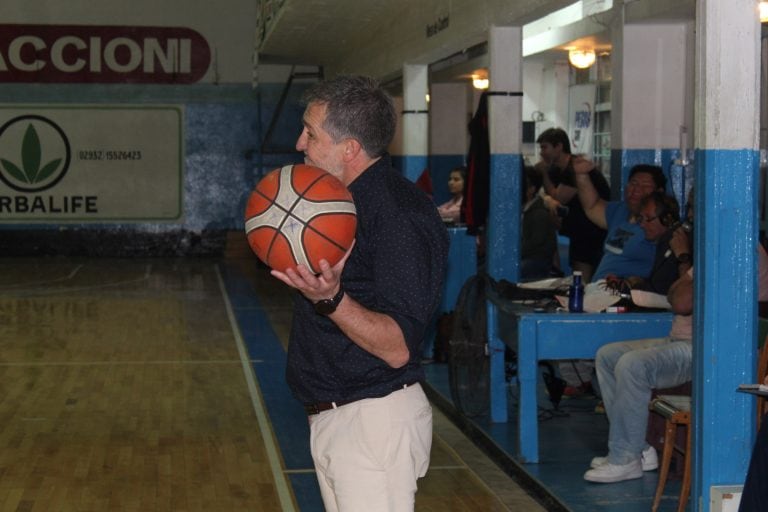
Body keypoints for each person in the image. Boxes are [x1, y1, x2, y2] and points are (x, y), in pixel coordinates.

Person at [270, 75, 450, 511]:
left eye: (311, 134)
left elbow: (396, 347)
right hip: (341, 418)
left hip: (373, 423)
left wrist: (331, 299)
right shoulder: (342, 204)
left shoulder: (397, 215)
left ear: (349, 149)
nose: (299, 143)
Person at [584, 268, 693, 483]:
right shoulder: (706, 256)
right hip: (678, 340)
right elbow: (673, 295)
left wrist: (681, 258)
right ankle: (640, 449)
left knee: (633, 364)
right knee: (608, 355)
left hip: (706, 349)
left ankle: (626, 459)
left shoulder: (731, 250)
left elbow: (680, 302)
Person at [536, 128, 611, 283]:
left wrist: (543, 175)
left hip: (592, 230)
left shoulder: (574, 168)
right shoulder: (558, 170)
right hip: (580, 229)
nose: (542, 152)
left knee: (583, 275)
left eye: (545, 147)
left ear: (559, 147)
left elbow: (559, 197)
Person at [574, 161, 667, 281]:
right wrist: (581, 175)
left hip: (627, 294)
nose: (637, 190)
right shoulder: (621, 210)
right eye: (633, 183)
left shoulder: (658, 223)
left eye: (645, 186)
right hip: (599, 291)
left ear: (659, 192)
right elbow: (592, 206)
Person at [605, 192, 689, 296]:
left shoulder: (676, 243)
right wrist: (629, 283)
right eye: (641, 219)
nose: (642, 225)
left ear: (667, 219)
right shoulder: (661, 245)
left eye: (648, 219)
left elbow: (663, 290)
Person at [521, 165, 558, 280]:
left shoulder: (539, 213)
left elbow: (535, 244)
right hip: (529, 257)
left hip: (538, 261)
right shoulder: (525, 209)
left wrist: (513, 253)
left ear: (531, 189)